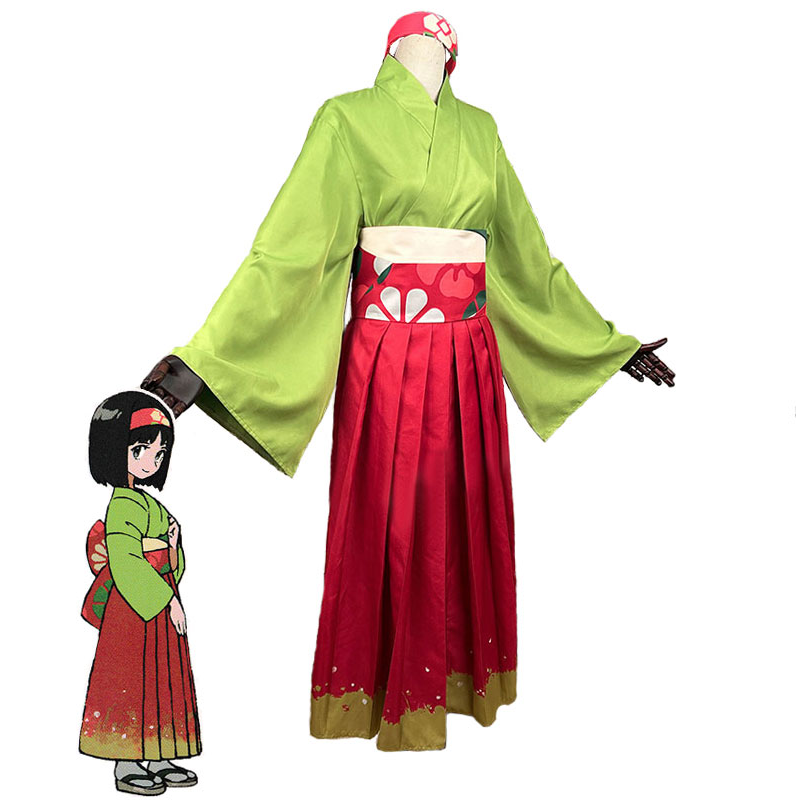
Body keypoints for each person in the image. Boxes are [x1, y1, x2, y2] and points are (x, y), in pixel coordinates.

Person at [141, 12, 674, 751]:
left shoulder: (482, 130)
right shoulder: (344, 118)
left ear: (451, 58)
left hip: (469, 358)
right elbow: (289, 252)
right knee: (385, 521)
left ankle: (455, 680)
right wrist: (202, 360)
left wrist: (605, 345)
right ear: (397, 52)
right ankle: (376, 690)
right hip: (385, 353)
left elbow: (526, 258)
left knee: (462, 515)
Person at [80, 390, 200, 792]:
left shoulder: (149, 505)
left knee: (162, 676)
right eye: (141, 449)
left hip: (158, 598)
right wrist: (168, 602)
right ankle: (126, 762)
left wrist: (173, 547)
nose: (153, 459)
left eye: (159, 451)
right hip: (133, 607)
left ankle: (160, 753)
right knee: (132, 678)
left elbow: (171, 564)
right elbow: (126, 561)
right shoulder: (123, 505)